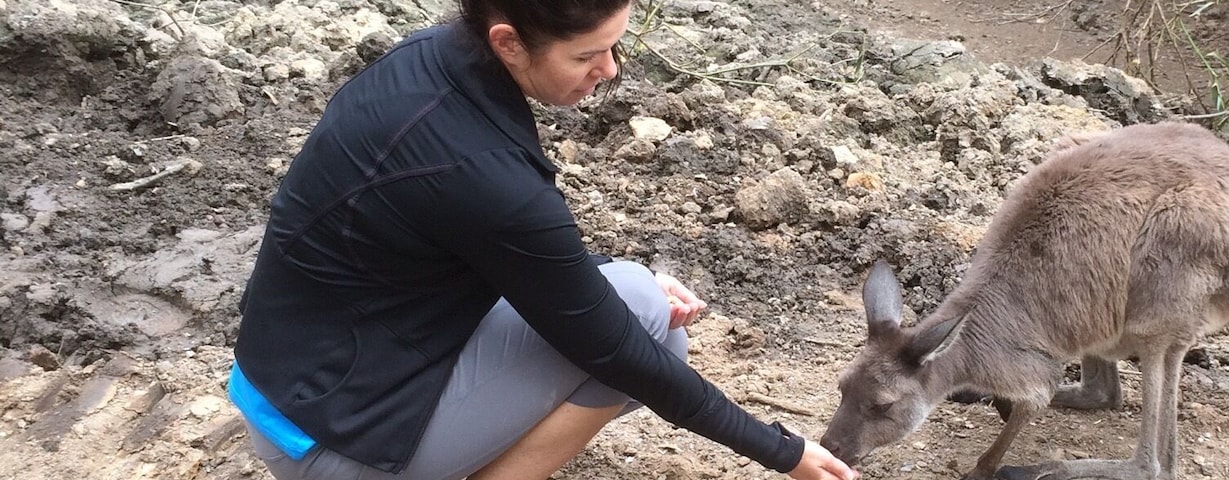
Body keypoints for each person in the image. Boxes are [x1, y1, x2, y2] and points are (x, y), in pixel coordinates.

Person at [223, 1, 860, 479]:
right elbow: (615, 349)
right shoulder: (480, 170)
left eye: (616, 47)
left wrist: (593, 274)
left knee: (647, 308)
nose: (608, 73)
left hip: (301, 378)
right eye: (587, 56)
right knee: (639, 320)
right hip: (328, 444)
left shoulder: (429, 62)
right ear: (508, 42)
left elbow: (478, 235)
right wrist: (782, 450)